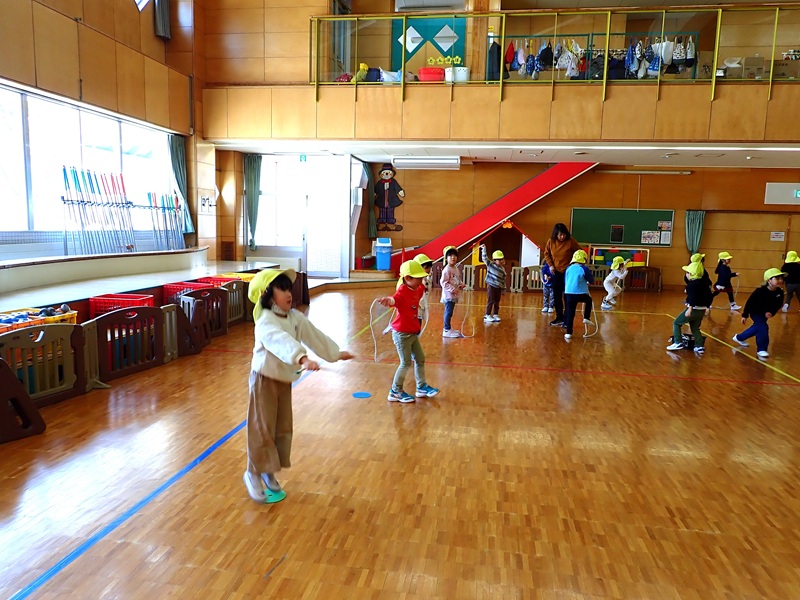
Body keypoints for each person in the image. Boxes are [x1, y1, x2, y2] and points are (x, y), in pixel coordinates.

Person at [244, 268, 354, 504]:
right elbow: (279, 341)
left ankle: (268, 470)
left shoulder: (294, 317)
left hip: (284, 380)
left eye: (289, 288)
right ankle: (253, 472)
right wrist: (302, 358)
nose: (288, 293)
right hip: (264, 379)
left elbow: (313, 335)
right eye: (281, 289)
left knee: (281, 428)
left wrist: (334, 353)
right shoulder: (265, 321)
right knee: (262, 427)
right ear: (266, 294)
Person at [378, 260, 440, 402]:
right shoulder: (403, 291)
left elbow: (422, 288)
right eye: (418, 277)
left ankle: (421, 387)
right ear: (407, 278)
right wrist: (389, 300)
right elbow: (395, 299)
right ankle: (395, 391)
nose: (421, 280)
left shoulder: (417, 289)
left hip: (412, 333)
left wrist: (426, 280)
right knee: (405, 363)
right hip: (401, 335)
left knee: (420, 358)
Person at [732, 268, 786, 359]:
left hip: (765, 315)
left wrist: (771, 312)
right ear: (769, 280)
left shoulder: (780, 292)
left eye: (781, 278)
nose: (780, 280)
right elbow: (749, 302)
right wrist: (745, 315)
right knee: (763, 327)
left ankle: (739, 338)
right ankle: (761, 349)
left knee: (757, 327)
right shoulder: (759, 291)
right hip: (755, 312)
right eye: (777, 278)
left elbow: (778, 305)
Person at [666, 261, 712, 354]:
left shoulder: (691, 285)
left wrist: (690, 309)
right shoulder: (705, 284)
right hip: (701, 311)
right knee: (695, 328)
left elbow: (692, 297)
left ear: (690, 274)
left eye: (687, 272)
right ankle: (699, 346)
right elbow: (709, 297)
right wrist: (707, 307)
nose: (686, 274)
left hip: (693, 310)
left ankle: (678, 342)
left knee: (677, 323)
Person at [383, 253, 434, 335]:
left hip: (416, 310)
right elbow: (398, 298)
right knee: (412, 327)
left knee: (416, 328)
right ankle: (395, 326)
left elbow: (423, 292)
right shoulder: (404, 286)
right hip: (411, 313)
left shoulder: (422, 282)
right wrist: (390, 300)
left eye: (429, 268)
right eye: (426, 268)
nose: (428, 270)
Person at [543, 223, 582, 327]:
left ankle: (567, 319)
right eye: (560, 235)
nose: (562, 237)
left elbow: (580, 252)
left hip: (569, 273)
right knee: (556, 296)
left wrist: (574, 265)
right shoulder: (551, 241)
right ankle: (559, 317)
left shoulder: (571, 241)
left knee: (567, 296)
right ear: (556, 234)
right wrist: (551, 265)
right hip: (556, 272)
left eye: (564, 234)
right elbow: (546, 253)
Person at [563, 249, 594, 340]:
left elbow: (566, 280)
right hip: (580, 293)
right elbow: (591, 280)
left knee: (570, 312)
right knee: (589, 300)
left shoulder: (568, 268)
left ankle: (568, 333)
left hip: (568, 293)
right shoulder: (584, 268)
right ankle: (586, 317)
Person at [440, 245, 466, 338]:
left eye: (454, 255)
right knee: (448, 312)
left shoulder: (455, 268)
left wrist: (461, 284)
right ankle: (446, 329)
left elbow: (457, 279)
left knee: (450, 312)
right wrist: (452, 289)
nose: (453, 257)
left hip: (454, 295)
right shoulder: (447, 269)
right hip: (449, 296)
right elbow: (443, 282)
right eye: (450, 255)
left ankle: (449, 328)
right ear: (446, 258)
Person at [480, 244, 507, 322]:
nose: (501, 261)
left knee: (497, 301)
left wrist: (503, 289)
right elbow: (484, 258)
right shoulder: (490, 264)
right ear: (494, 260)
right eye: (499, 259)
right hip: (491, 286)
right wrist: (484, 249)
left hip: (498, 287)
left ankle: (495, 314)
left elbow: (503, 280)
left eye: (502, 259)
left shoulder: (502, 269)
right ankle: (487, 315)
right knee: (491, 300)